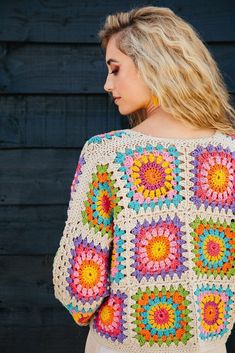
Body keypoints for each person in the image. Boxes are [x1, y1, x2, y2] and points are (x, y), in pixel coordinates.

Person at [52, 6, 235, 353]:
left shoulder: (108, 155)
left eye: (115, 69)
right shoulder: (230, 154)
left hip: (119, 344)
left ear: (153, 65)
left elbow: (79, 286)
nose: (108, 84)